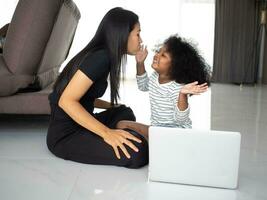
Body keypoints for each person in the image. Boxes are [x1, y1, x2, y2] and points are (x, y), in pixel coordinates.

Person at [46, 7, 148, 169]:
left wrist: (111, 106)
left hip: (82, 123)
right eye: (137, 33)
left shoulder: (104, 55)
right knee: (139, 152)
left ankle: (120, 133)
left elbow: (85, 96)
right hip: (66, 136)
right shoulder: (100, 58)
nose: (140, 39)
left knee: (124, 111)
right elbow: (66, 101)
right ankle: (117, 135)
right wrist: (107, 133)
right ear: (122, 34)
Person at [117, 35, 211, 139]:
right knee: (122, 125)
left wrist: (182, 94)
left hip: (176, 134)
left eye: (163, 55)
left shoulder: (177, 88)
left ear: (175, 65)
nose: (156, 55)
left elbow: (181, 120)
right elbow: (143, 86)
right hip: (157, 130)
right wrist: (140, 63)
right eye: (158, 51)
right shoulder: (154, 77)